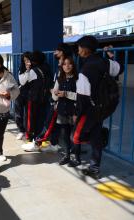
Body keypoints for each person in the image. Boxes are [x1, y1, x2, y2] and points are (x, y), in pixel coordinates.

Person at [73, 36, 122, 177]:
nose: (78, 50)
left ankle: (101, 138)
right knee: (95, 135)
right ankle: (94, 168)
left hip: (90, 110)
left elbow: (82, 98)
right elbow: (120, 69)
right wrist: (111, 56)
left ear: (85, 49)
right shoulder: (105, 62)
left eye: (79, 47)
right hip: (104, 106)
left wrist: (77, 113)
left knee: (75, 137)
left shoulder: (85, 70)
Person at [51, 57, 81, 167]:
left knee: (75, 136)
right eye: (64, 64)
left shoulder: (78, 79)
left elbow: (81, 97)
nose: (67, 66)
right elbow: (55, 97)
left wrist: (66, 94)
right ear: (62, 66)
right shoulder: (59, 78)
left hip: (74, 111)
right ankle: (67, 155)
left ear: (73, 65)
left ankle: (77, 158)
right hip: (62, 110)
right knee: (65, 135)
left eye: (69, 64)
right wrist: (54, 93)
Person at [14, 52, 33, 140]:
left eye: (28, 60)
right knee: (18, 113)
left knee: (28, 114)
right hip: (20, 93)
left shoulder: (34, 69)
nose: (26, 62)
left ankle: (28, 132)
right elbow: (22, 82)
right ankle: (21, 130)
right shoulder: (21, 68)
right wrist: (27, 70)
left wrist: (29, 70)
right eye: (25, 60)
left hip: (30, 94)